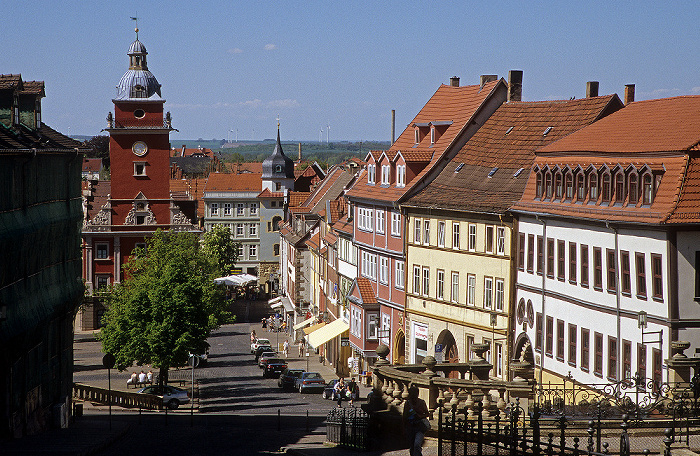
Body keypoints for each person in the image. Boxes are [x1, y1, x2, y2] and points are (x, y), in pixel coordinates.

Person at [403, 384, 430, 456]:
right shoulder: (407, 403)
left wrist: (420, 415)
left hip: (419, 426)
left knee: (417, 445)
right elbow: (404, 416)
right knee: (412, 446)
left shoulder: (421, 402)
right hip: (410, 426)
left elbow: (427, 414)